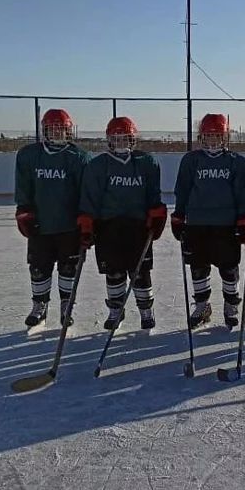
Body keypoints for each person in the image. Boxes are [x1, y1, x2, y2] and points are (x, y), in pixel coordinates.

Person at [78, 116, 167, 330]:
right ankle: (116, 311)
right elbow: (90, 197)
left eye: (125, 138)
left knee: (140, 272)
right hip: (109, 227)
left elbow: (153, 194)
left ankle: (146, 310)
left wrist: (156, 214)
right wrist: (87, 224)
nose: (120, 143)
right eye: (116, 138)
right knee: (114, 272)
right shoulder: (98, 165)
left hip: (138, 227)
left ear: (132, 139)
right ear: (109, 140)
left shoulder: (146, 162)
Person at [171, 114, 245, 330]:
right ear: (202, 137)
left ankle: (231, 305)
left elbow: (244, 193)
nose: (213, 140)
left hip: (226, 224)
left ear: (225, 137)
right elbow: (183, 189)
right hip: (197, 223)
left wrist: (244, 219)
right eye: (209, 136)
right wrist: (179, 215)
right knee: (198, 267)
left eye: (217, 136)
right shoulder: (191, 160)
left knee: (228, 268)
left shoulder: (236, 162)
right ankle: (202, 306)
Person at [15, 109, 90, 328]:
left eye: (62, 129)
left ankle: (66, 305)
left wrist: (86, 218)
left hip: (69, 225)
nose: (57, 133)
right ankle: (40, 305)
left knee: (68, 268)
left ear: (69, 131)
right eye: (53, 128)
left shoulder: (79, 157)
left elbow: (85, 192)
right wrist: (24, 209)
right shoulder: (29, 155)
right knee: (39, 267)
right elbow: (23, 185)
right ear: (45, 130)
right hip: (41, 224)